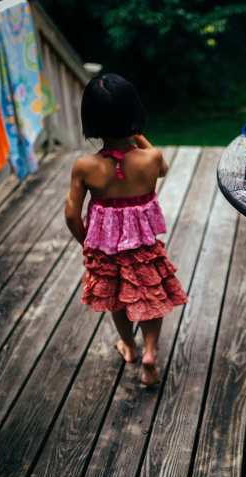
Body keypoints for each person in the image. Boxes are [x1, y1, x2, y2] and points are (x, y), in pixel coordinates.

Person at [65, 73, 188, 386]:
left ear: (90, 120)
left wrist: (86, 243)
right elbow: (163, 170)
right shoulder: (151, 158)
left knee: (118, 298)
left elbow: (71, 215)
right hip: (144, 251)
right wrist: (139, 136)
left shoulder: (84, 167)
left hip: (106, 251)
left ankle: (130, 348)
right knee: (151, 296)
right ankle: (150, 350)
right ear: (135, 117)